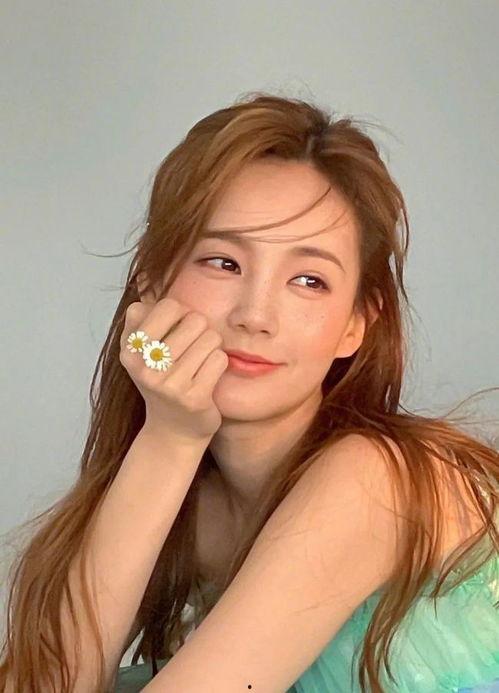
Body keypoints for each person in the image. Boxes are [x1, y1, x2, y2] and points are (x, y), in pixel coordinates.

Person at [1, 92, 498, 693]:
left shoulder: (374, 480)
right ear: (152, 284)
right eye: (223, 263)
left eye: (308, 280)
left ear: (355, 325)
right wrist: (170, 436)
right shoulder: (196, 514)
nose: (255, 315)